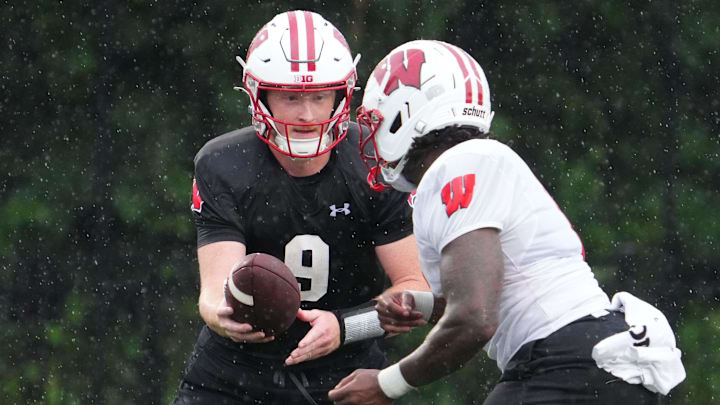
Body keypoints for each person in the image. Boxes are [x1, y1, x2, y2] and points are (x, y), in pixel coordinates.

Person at [328, 40, 685, 404]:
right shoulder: (471, 164)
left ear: (405, 112)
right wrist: (418, 305)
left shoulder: (458, 165)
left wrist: (388, 384)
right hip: (590, 359)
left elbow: (475, 319)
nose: (370, 138)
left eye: (376, 121)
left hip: (565, 361)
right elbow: (487, 296)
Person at [173, 11, 429, 405]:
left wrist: (345, 328)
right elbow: (214, 291)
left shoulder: (375, 161)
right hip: (232, 375)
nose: (306, 115)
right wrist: (220, 314)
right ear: (261, 95)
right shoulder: (223, 164)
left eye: (319, 96)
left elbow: (415, 292)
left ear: (341, 96)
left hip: (348, 375)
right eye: (291, 96)